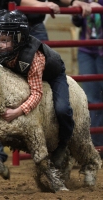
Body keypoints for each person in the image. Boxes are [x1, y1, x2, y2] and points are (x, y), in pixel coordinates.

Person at [0, 9, 75, 168]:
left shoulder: (32, 57)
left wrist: (17, 112)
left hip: (52, 74)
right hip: (23, 75)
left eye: (4, 40)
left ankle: (64, 144)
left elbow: (37, 92)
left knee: (62, 109)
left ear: (18, 39)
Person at [72, 1, 103, 157]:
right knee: (91, 99)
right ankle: (95, 146)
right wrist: (78, 12)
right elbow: (76, 22)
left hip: (99, 48)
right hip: (86, 48)